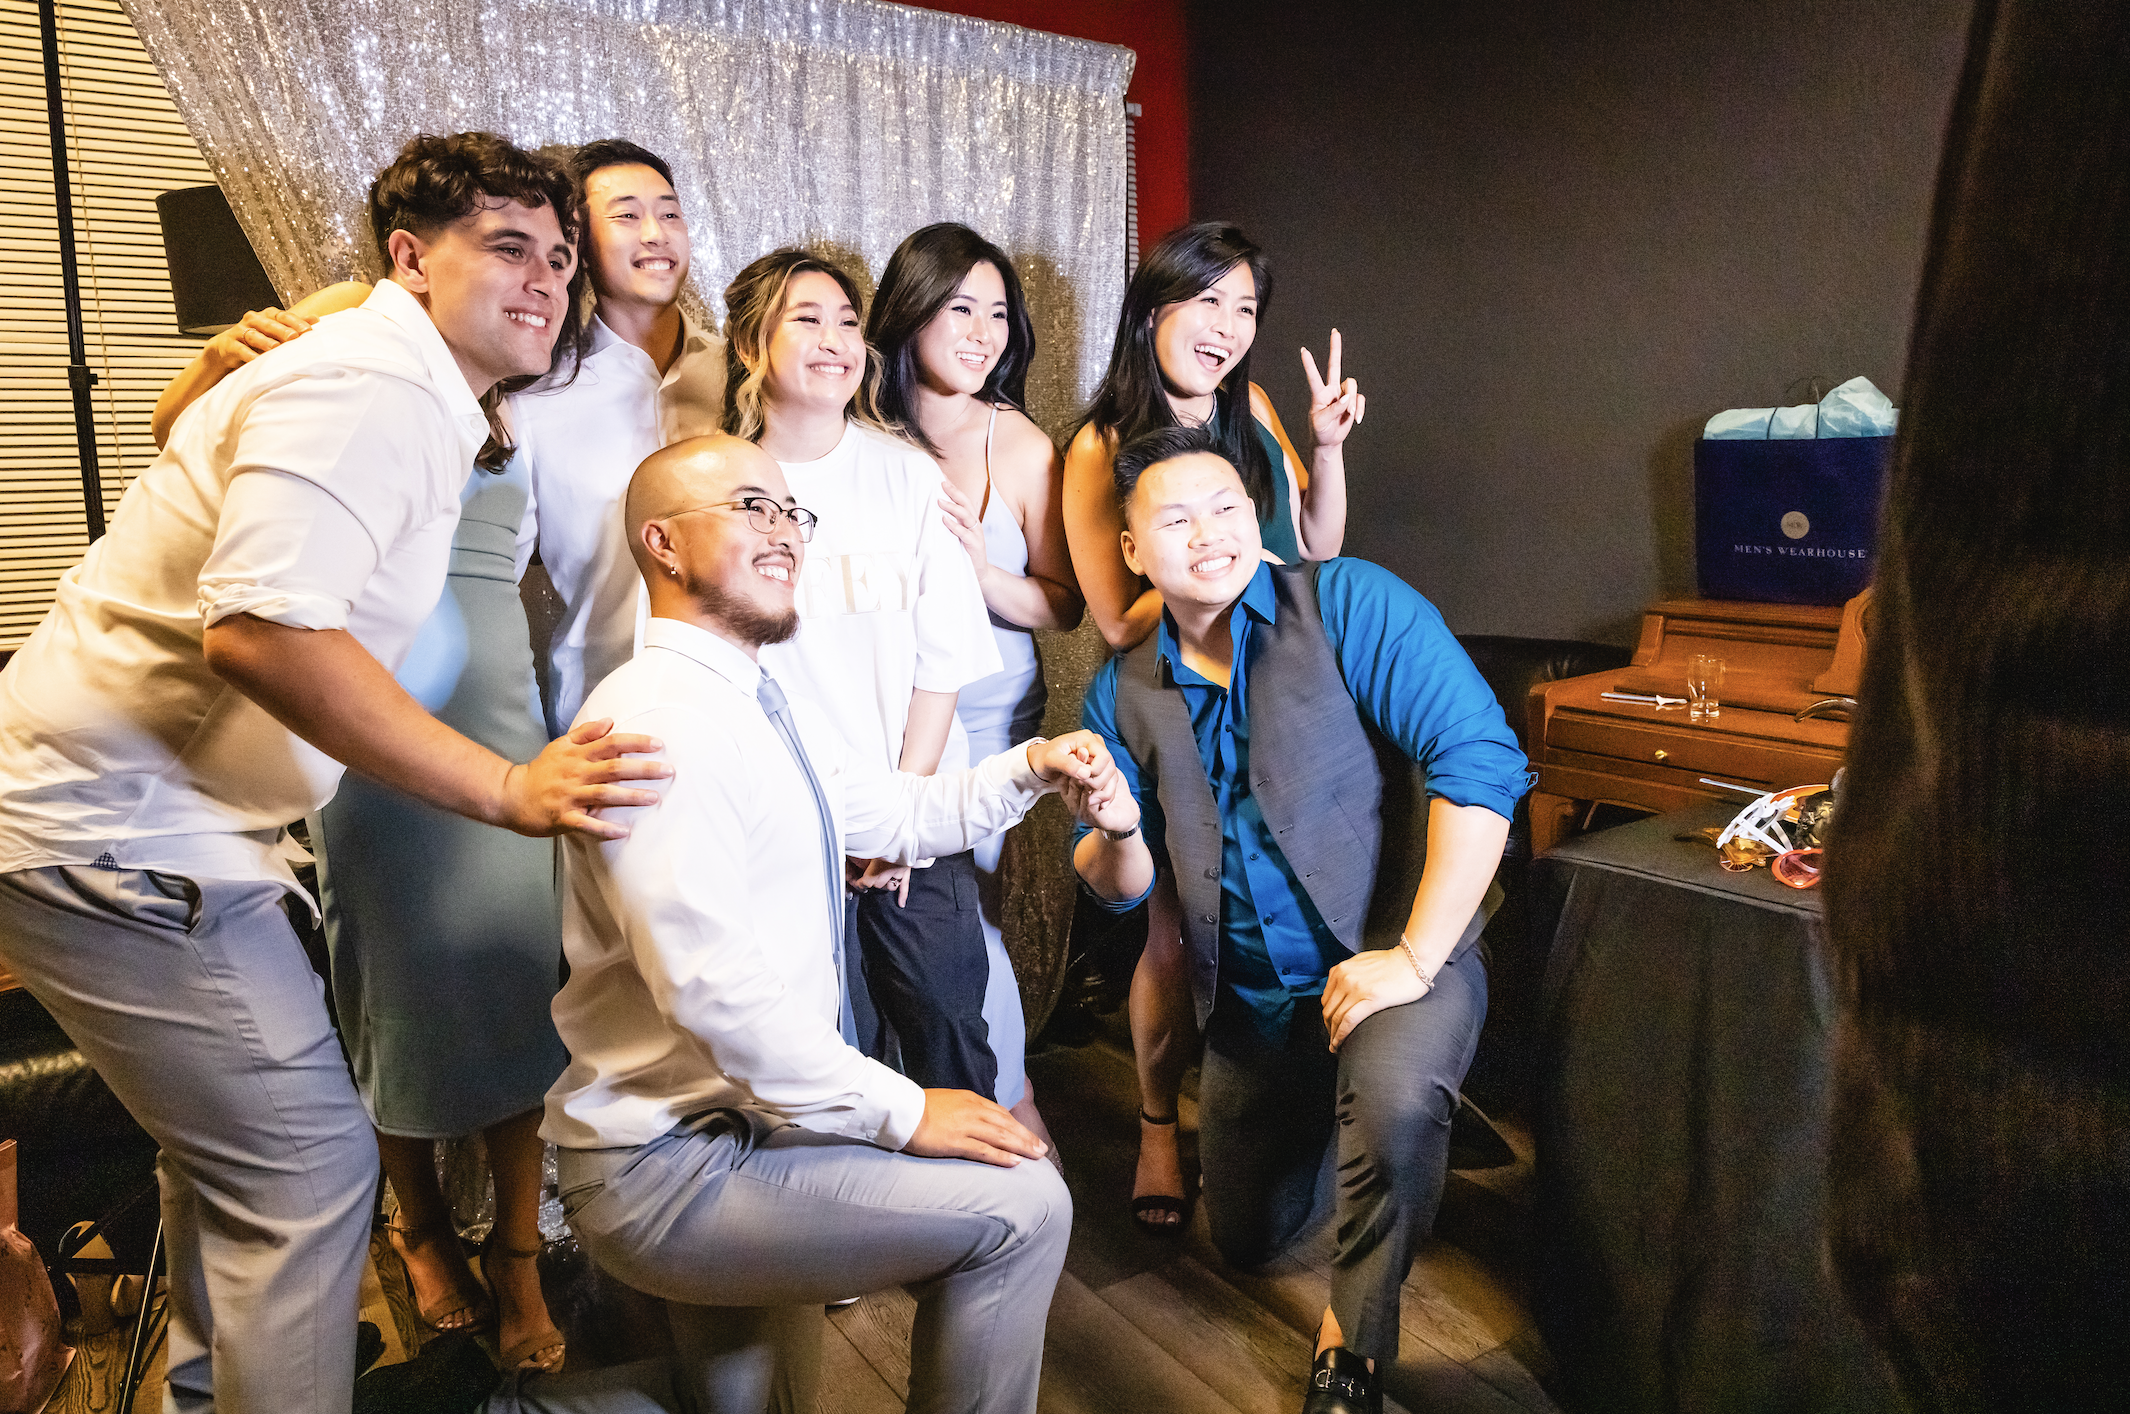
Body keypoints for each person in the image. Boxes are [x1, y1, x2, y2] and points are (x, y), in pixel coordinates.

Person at [0, 133, 669, 1414]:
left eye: (561, 256)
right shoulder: (372, 382)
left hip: (169, 836)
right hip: (118, 839)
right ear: (412, 260)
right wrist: (505, 787)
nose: (548, 279)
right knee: (306, 1171)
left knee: (229, 1174)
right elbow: (260, 627)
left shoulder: (402, 381)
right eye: (511, 248)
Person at [496, 433, 1119, 1414]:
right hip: (673, 1160)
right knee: (1024, 1206)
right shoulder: (663, 725)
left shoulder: (748, 699)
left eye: (793, 511)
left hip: (749, 1129)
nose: (785, 530)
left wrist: (1031, 766)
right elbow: (711, 995)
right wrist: (908, 1111)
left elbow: (897, 812)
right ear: (662, 543)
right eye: (751, 507)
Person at [1070, 426, 1528, 1414]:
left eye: (1231, 507)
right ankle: (1388, 1143)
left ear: (1261, 519)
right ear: (1133, 551)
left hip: (1404, 956)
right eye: (1177, 516)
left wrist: (1411, 958)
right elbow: (1118, 885)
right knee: (1247, 1236)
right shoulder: (1121, 692)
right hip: (1253, 1004)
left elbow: (1482, 762)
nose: (1211, 531)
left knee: (1397, 1098)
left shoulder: (1353, 603)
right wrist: (1111, 824)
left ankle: (1350, 1344)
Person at [1061, 220, 1367, 1231]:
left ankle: (1322, 1094)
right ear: (1156, 309)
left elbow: (1317, 544)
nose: (1229, 329)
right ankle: (1156, 1125)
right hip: (1179, 694)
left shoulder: (1258, 406)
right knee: (1173, 926)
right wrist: (1211, 564)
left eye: (1246, 309)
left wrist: (1323, 452)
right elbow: (1111, 617)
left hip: (1291, 675)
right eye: (1209, 302)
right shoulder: (1100, 443)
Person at [723, 249, 1009, 1101]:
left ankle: (979, 1226)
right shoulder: (719, 485)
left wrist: (898, 820)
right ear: (751, 345)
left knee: (948, 1033)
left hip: (912, 814)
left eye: (847, 322)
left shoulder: (911, 476)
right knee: (817, 1056)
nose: (834, 339)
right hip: (782, 828)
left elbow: (945, 662)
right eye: (805, 319)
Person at [866, 221, 1083, 1137]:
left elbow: (1065, 606)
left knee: (967, 928)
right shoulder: (858, 429)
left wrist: (978, 569)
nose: (983, 331)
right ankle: (904, 1115)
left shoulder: (1022, 446)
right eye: (961, 307)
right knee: (880, 924)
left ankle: (1009, 1104)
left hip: (990, 727)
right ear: (910, 310)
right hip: (881, 723)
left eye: (998, 313)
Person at [515, 139, 727, 738]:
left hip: (746, 710)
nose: (656, 232)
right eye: (628, 215)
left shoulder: (747, 376)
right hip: (602, 719)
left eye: (671, 212)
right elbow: (492, 587)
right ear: (576, 240)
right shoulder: (534, 400)